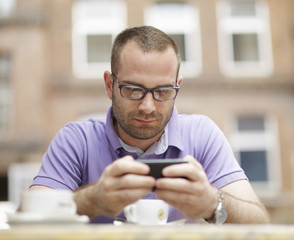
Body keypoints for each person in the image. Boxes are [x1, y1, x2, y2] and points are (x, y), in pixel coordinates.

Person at [30, 26, 270, 224]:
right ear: (108, 85)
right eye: (133, 90)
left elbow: (260, 223)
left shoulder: (201, 134)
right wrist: (92, 200)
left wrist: (212, 203)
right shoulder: (77, 140)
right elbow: (30, 217)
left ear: (178, 87)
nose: (148, 106)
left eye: (163, 91)